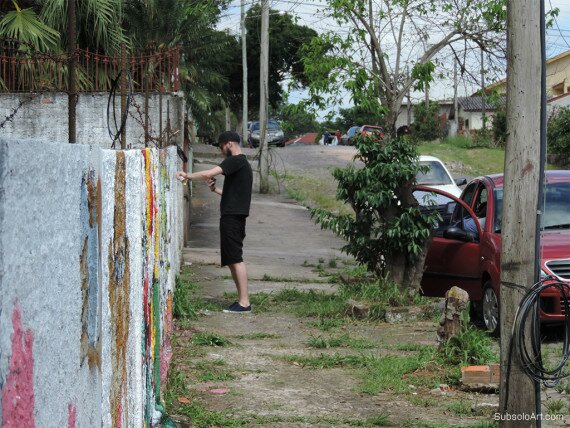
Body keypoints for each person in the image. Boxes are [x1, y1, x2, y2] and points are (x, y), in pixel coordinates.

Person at [175, 131, 253, 313]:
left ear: (229, 144)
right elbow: (234, 196)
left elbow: (209, 173)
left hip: (232, 217)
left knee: (235, 258)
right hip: (233, 215)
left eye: (221, 146)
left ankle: (244, 303)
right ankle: (242, 300)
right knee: (232, 258)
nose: (221, 151)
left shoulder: (236, 160)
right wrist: (216, 190)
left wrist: (187, 175)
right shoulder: (242, 164)